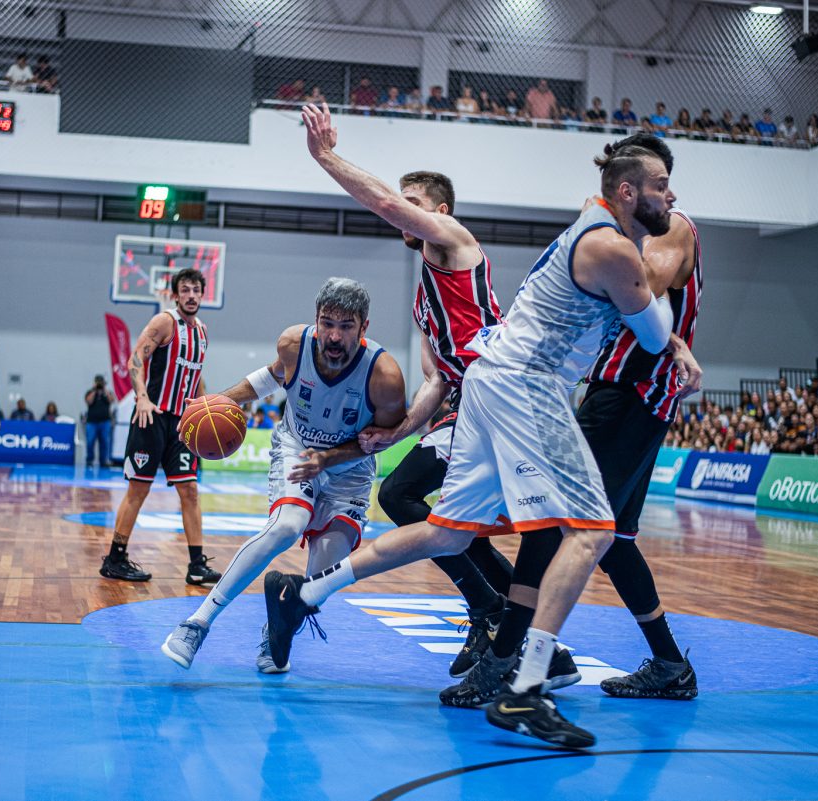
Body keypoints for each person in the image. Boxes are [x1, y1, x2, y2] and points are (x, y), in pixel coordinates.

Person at [265, 137, 683, 750]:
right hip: (525, 384)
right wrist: (326, 158)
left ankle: (304, 593)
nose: (671, 197)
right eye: (661, 186)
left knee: (445, 531)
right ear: (627, 191)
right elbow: (651, 333)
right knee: (592, 531)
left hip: (485, 385)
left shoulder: (570, 232)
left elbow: (445, 373)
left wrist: (401, 429)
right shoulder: (605, 246)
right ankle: (528, 685)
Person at [296, 100, 525, 680]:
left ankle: (498, 614)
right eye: (405, 203)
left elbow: (383, 203)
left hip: (501, 399)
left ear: (440, 212)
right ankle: (498, 615)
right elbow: (436, 379)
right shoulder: (426, 293)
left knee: (414, 503)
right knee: (422, 507)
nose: (402, 212)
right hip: (467, 404)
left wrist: (324, 157)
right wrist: (396, 432)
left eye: (413, 203)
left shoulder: (454, 242)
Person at [483, 133, 703, 705]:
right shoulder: (612, 230)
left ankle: (507, 660)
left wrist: (600, 229)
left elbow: (645, 285)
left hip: (635, 394)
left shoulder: (668, 227)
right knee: (614, 538)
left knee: (557, 522)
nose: (666, 194)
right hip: (617, 392)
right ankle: (670, 664)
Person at [161, 277, 407, 671]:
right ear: (316, 319)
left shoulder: (385, 376)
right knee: (287, 526)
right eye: (328, 323)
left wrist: (329, 459)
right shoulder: (294, 344)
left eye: (346, 326)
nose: (334, 336)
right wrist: (217, 401)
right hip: (297, 447)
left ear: (364, 327)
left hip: (350, 469)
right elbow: (272, 377)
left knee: (319, 582)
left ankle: (276, 628)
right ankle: (196, 624)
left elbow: (385, 438)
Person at [101, 268, 221, 586]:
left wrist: (203, 407)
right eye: (185, 290)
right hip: (151, 416)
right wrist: (141, 397)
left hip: (181, 424)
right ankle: (115, 558)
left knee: (190, 490)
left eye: (196, 290)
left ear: (203, 294)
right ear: (175, 294)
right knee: (138, 489)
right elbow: (135, 360)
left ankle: (196, 565)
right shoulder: (164, 322)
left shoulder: (202, 332)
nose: (191, 295)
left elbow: (195, 376)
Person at [84, 375, 115, 467]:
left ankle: (103, 461)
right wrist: (94, 390)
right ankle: (89, 460)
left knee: (105, 442)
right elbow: (89, 401)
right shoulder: (90, 392)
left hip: (105, 422)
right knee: (90, 442)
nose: (99, 384)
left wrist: (104, 389)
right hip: (92, 422)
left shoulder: (107, 392)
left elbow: (111, 400)